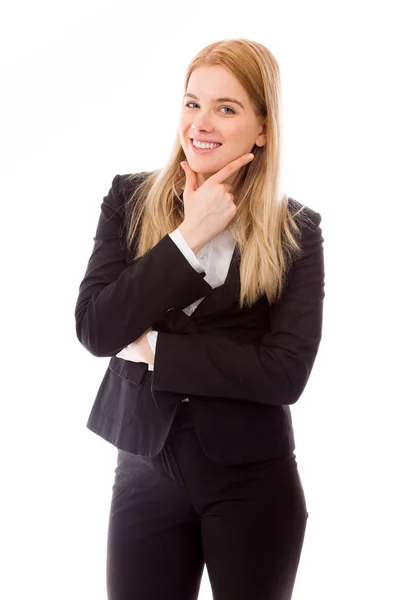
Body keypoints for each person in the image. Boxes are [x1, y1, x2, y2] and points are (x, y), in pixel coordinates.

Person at [74, 38, 325, 600]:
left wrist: (154, 349)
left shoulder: (297, 232)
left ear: (263, 127)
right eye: (192, 103)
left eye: (226, 108)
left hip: (253, 482)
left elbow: (285, 373)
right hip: (144, 472)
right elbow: (96, 328)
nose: (201, 123)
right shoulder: (129, 199)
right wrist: (189, 237)